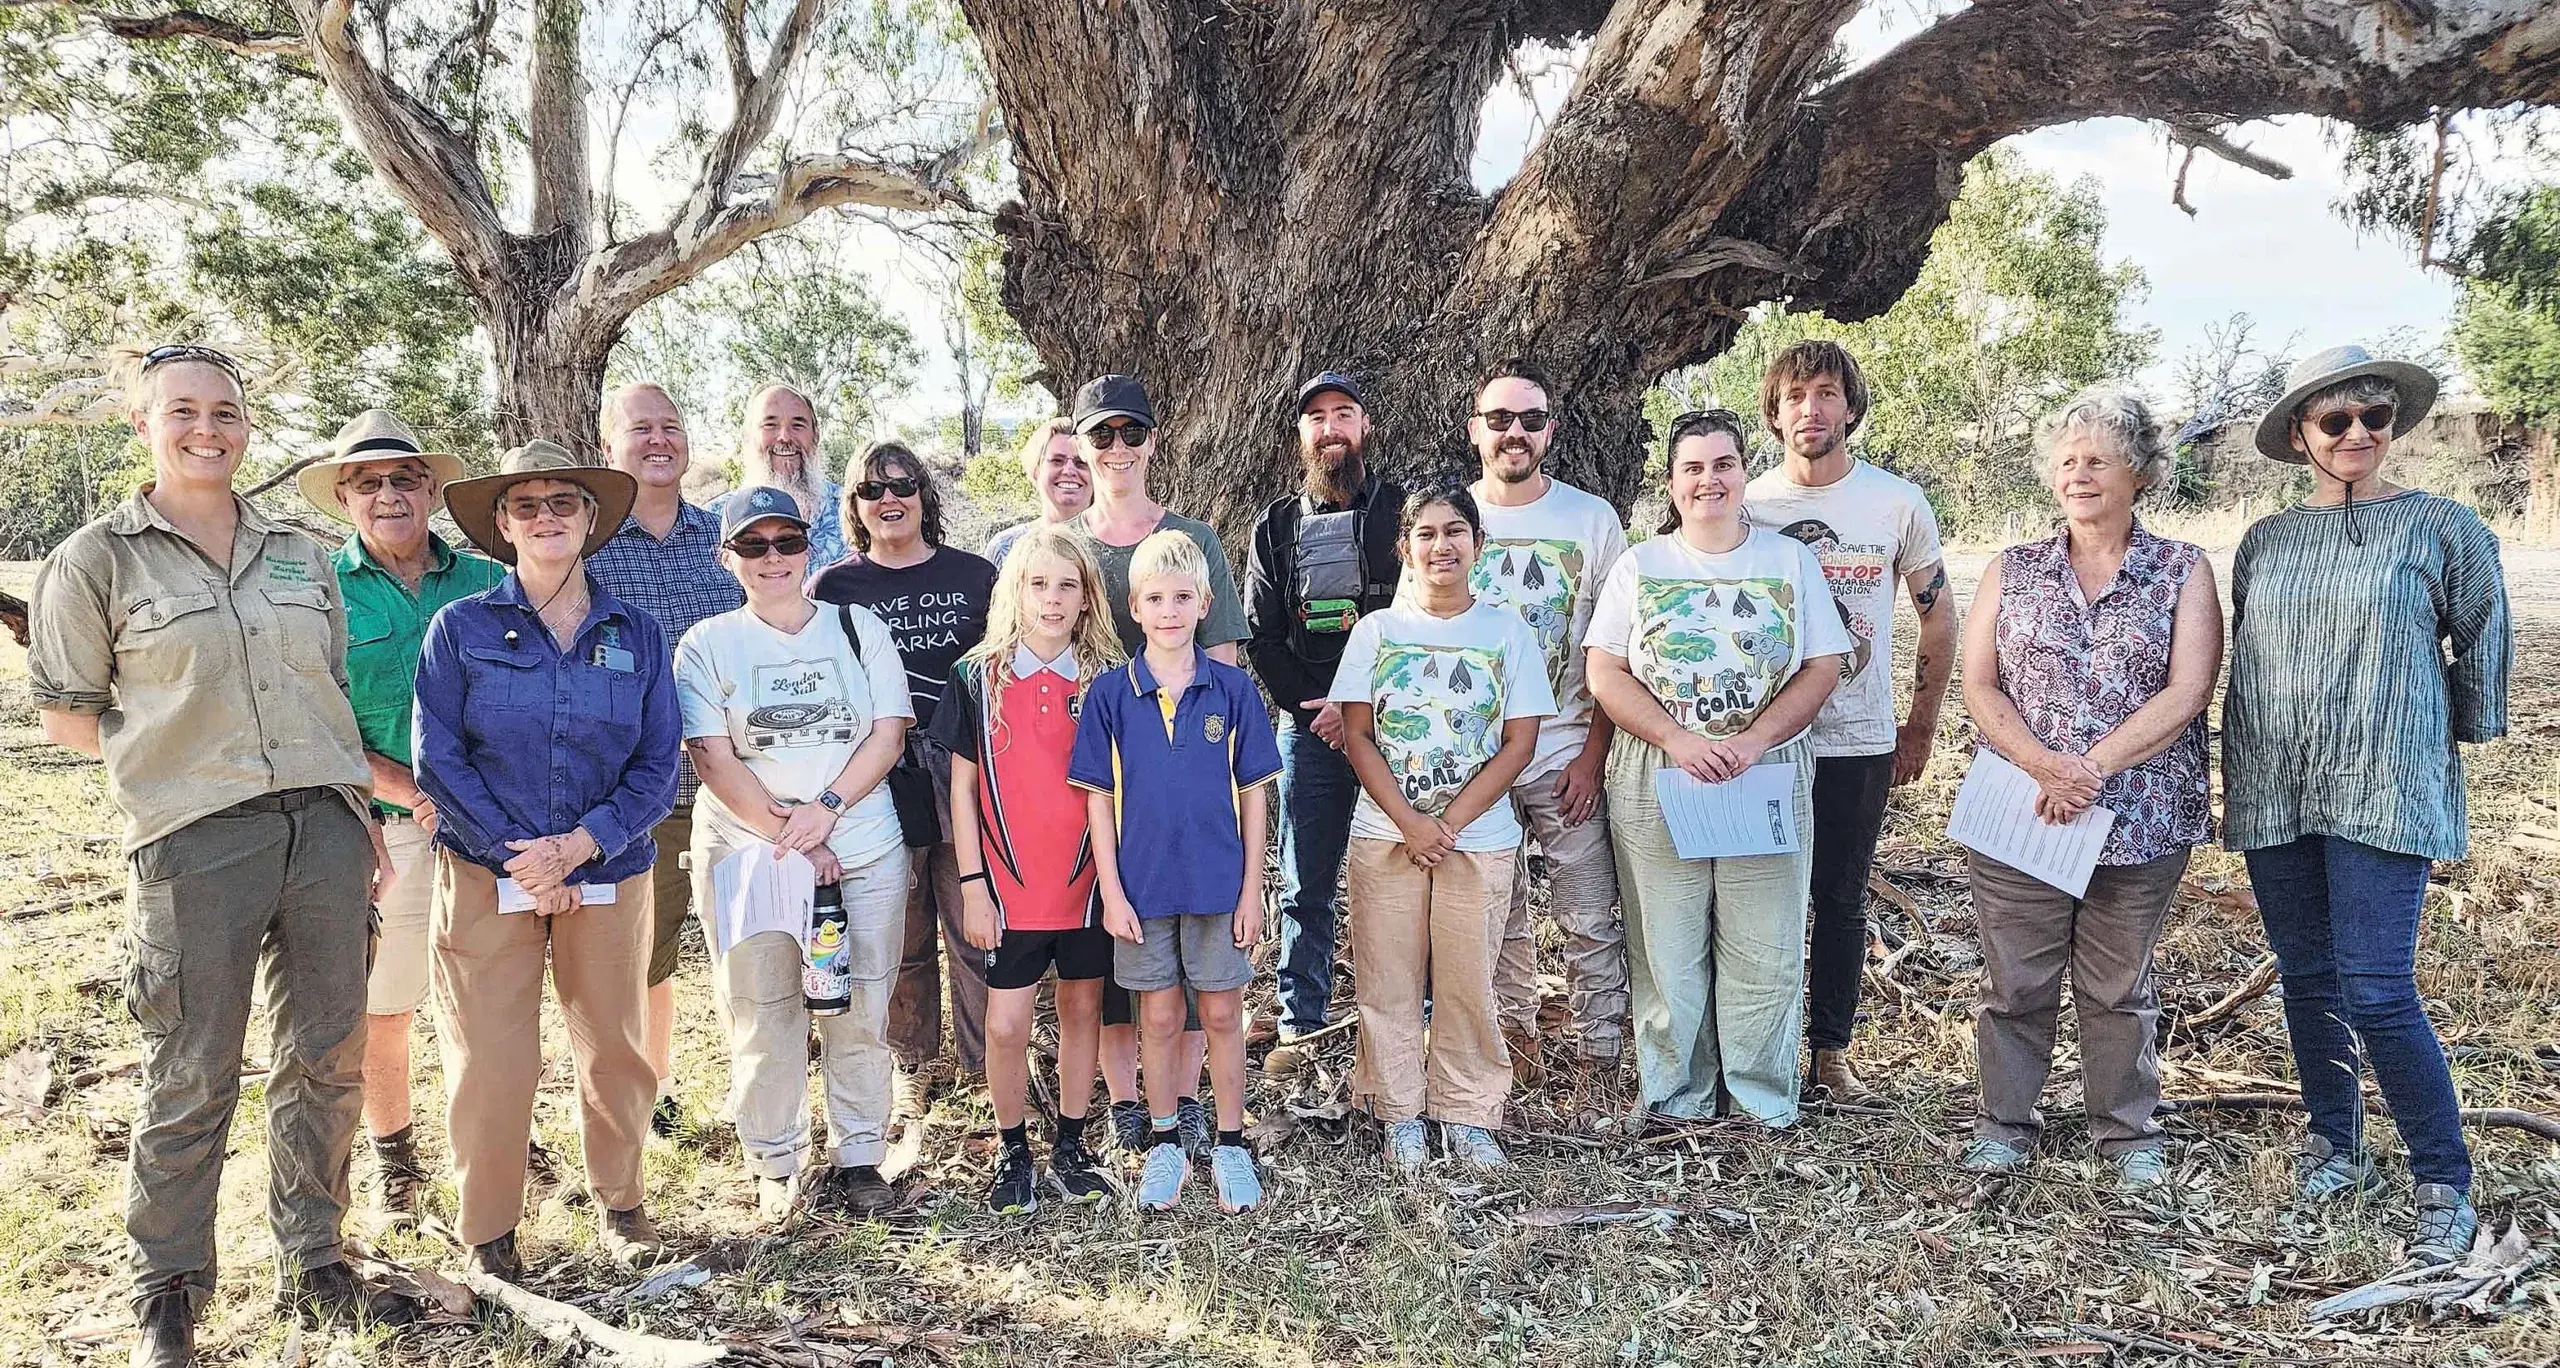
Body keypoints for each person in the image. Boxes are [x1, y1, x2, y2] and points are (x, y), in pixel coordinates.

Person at [28, 344, 408, 1367]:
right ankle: (168, 1289)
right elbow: (70, 716)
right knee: (192, 1070)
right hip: (195, 842)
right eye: (184, 411)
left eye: (227, 412)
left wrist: (355, 812)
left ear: (247, 426)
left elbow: (325, 692)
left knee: (327, 1054)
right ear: (143, 424)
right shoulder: (98, 559)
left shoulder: (299, 549)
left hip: (324, 831)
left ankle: (316, 1260)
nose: (209, 429)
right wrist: (183, 770)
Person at [2226, 345, 2509, 1266]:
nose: (2358, 434)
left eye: (2374, 418)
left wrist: (2446, 736)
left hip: (2389, 780)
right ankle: (2335, 1144)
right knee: (2307, 977)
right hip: (2278, 777)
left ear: (2393, 428)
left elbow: (2482, 642)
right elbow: (2251, 656)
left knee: (2380, 988)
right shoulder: (2265, 540)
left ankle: (2443, 1176)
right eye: (2336, 420)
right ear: (2303, 434)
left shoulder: (2445, 528)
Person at [415, 440, 680, 1279]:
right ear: (501, 525)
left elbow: (658, 760)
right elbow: (439, 759)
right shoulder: (458, 629)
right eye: (525, 505)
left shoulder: (637, 632)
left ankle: (621, 1203)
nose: (545, 517)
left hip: (608, 872)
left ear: (592, 518)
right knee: (492, 1057)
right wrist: (518, 857)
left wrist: (581, 844)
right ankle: (489, 1231)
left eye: (563, 501)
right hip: (486, 874)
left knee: (614, 1048)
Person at [1955, 388, 2221, 1193]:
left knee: (2117, 985)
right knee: (2017, 981)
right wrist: (2044, 765)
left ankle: (2126, 1131)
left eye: (2098, 459)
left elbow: (2188, 691)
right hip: (2022, 810)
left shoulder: (2183, 569)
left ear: (2139, 472)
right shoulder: (2015, 568)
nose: (2079, 474)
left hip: (2138, 818)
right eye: (2067, 461)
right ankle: (2004, 1124)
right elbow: (1978, 683)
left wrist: (2089, 768)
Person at [1584, 410, 1850, 1127]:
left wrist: (1757, 738)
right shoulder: (1642, 566)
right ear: (1671, 484)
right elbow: (1604, 669)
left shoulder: (1787, 560)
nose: (1710, 480)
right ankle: (1679, 1097)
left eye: (1724, 464)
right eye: (1693, 468)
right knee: (1665, 941)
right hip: (1662, 769)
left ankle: (1760, 1099)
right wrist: (1676, 738)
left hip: (1761, 769)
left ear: (1743, 472)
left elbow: (1824, 663)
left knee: (1763, 941)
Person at [676, 487, 913, 1223]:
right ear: (728, 559)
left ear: (808, 548)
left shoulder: (856, 627)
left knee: (859, 1002)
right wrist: (794, 841)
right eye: (753, 545)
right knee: (762, 1007)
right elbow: (712, 757)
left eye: (786, 542)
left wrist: (826, 813)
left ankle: (861, 1154)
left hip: (862, 850)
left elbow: (887, 733)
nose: (772, 558)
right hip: (751, 857)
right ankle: (775, 1161)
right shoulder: (707, 643)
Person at [299, 409, 503, 1218]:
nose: (390, 494)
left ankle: (488, 1142)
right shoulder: (318, 588)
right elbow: (314, 718)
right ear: (346, 496)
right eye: (370, 482)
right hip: (385, 825)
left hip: (488, 824)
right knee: (389, 1003)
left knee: (487, 996)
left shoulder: (488, 581)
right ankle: (395, 1156)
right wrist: (408, 792)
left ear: (433, 489)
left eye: (406, 478)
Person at [1743, 341, 1954, 1100]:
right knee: (1760, 894)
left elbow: (1938, 619)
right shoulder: (1750, 506)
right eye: (1795, 396)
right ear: (1773, 412)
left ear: (1851, 407)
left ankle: (1830, 1054)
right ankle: (1757, 1053)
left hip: (1857, 737)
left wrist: (1920, 726)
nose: (1811, 409)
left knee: (1840, 896)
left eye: (1827, 393)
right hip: (1763, 741)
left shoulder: (1895, 503)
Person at [1331, 485, 1551, 1172]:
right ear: (1404, 548)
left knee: (1466, 979)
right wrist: (1409, 822)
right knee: (1388, 978)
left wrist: (1448, 823)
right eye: (1425, 534)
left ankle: (1467, 1112)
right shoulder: (1376, 633)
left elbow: (1519, 743)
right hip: (1384, 834)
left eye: (1456, 531)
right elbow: (1358, 735)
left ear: (1478, 545)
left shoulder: (1506, 631)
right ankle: (1399, 1113)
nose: (1441, 546)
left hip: (1476, 840)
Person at [1070, 530, 1281, 1214]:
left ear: (1204, 604)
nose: (1168, 611)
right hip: (1141, 888)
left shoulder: (1232, 691)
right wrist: (1110, 890)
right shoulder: (1110, 695)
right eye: (1155, 598)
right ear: (1133, 606)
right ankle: (1164, 1142)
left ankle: (1229, 1141)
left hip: (1219, 886)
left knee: (1220, 1011)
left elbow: (1255, 797)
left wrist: (1253, 890)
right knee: (1157, 1015)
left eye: (1182, 598)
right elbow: (1098, 801)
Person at [1060, 374, 1243, 1153]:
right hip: (1091, 765)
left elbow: (1226, 655)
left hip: (1183, 773)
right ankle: (1128, 1099)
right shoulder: (1067, 543)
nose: (1117, 449)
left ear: (1152, 442)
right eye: (1102, 435)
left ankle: (1191, 1098)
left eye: (1131, 433)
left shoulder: (1194, 540)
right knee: (1113, 942)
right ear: (1081, 446)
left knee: (1196, 951)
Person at [935, 527, 1129, 1212]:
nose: (1052, 598)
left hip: (1086, 884)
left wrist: (1117, 884)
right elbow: (962, 789)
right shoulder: (976, 676)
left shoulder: (1109, 678)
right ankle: (1012, 1148)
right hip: (1009, 886)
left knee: (1083, 1009)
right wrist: (972, 885)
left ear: (1087, 598)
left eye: (1067, 585)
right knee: (1006, 1024)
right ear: (1014, 591)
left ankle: (1071, 1145)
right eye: (1038, 583)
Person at [812, 443, 1001, 1115]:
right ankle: (911, 1061)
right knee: (900, 925)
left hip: (965, 764)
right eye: (871, 489)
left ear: (925, 494)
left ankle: (988, 1066)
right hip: (876, 767)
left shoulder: (977, 575)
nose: (889, 499)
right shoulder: (834, 588)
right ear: (855, 507)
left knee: (974, 919)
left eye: (903, 484)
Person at [1464, 358, 1631, 1102]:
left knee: (1589, 911)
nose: (1514, 434)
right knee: (1498, 912)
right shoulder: (1451, 518)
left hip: (1565, 748)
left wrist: (1594, 755)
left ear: (1550, 432)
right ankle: (1517, 1039)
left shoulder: (1591, 520)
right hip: (1479, 758)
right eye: (1499, 420)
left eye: (1530, 420)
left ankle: (1601, 1058)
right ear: (1476, 432)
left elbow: (1614, 650)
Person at [585, 382, 745, 1135]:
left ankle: (757, 1092)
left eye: (671, 427)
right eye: (640, 428)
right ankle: (645, 1094)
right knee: (637, 959)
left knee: (746, 949)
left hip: (733, 788)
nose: (658, 441)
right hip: (631, 793)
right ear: (610, 446)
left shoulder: (728, 540)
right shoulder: (588, 546)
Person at [1244, 370, 1406, 1042]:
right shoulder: (1275, 525)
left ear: (1364, 428)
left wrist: (1362, 706)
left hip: (1400, 727)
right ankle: (1299, 1020)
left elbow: (1422, 618)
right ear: (1300, 435)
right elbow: (1261, 633)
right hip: (1310, 731)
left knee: (1401, 876)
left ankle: (1404, 1019)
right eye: (1317, 417)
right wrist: (1321, 711)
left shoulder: (1404, 512)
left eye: (1344, 413)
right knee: (1305, 883)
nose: (1331, 427)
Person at [708, 384, 851, 574]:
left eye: (798, 425)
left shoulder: (850, 510)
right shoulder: (714, 519)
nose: (784, 437)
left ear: (816, 437)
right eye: (770, 425)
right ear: (748, 437)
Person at [983, 417, 1088, 566]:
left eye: (1081, 462)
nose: (1069, 470)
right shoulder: (1005, 548)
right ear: (1036, 470)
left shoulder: (1114, 546)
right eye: (1057, 461)